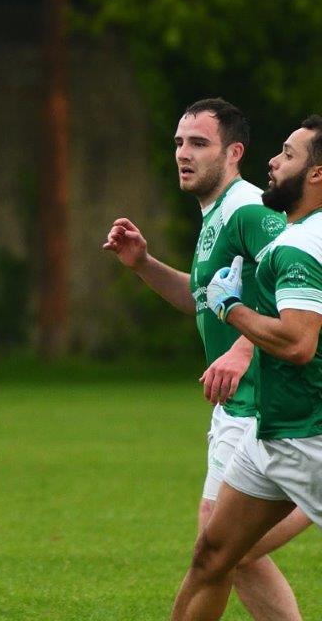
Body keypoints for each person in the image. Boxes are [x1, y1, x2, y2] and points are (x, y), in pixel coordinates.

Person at [103, 99, 309, 620]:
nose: (183, 154)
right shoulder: (216, 214)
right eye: (178, 143)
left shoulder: (250, 210)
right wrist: (144, 264)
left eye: (199, 144)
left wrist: (242, 351)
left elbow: (296, 284)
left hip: (265, 401)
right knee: (224, 555)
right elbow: (205, 300)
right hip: (237, 406)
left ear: (234, 152)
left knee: (223, 551)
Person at [171, 115, 322, 620]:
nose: (273, 162)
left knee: (229, 554)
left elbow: (298, 343)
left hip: (311, 436)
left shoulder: (297, 242)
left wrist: (232, 310)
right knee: (214, 554)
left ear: (317, 175)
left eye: (287, 154)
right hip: (271, 430)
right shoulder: (295, 236)